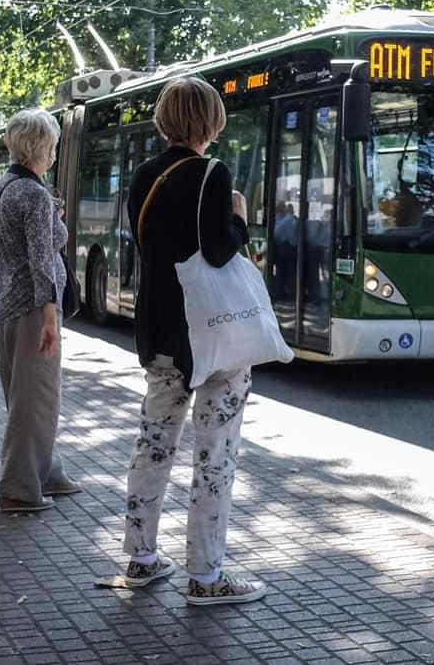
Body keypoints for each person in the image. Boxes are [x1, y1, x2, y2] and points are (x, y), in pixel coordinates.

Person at [118, 77, 266, 606]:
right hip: (212, 336)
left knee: (154, 443)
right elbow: (220, 251)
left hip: (158, 330)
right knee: (215, 453)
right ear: (210, 120)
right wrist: (240, 220)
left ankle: (140, 557)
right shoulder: (212, 172)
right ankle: (206, 576)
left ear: (164, 119)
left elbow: (149, 246)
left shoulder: (142, 175)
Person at [0, 109, 81, 514]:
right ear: (41, 148)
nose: (56, 153)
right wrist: (50, 318)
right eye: (54, 145)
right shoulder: (35, 194)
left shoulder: (2, 185)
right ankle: (19, 488)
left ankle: (46, 471)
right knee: (36, 400)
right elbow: (42, 261)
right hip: (29, 309)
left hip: (3, 303)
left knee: (23, 397)